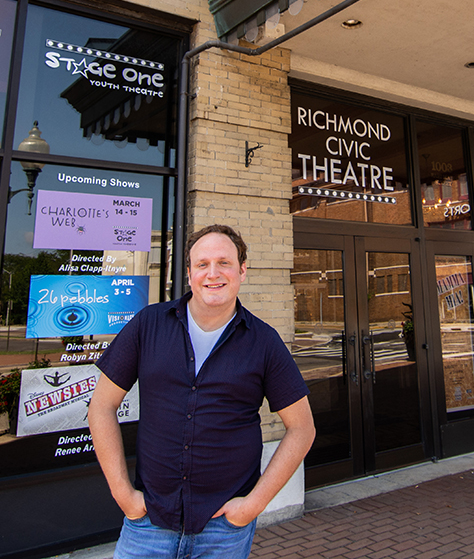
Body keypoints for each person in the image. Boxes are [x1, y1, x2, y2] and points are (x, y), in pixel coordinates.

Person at [89, 224, 315, 559]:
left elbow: (302, 428)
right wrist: (123, 494)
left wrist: (253, 505)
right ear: (190, 272)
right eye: (202, 264)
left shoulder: (264, 342)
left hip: (223, 531)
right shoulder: (148, 324)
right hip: (148, 523)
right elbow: (101, 407)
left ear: (242, 270)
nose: (213, 273)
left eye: (224, 263)